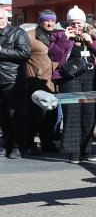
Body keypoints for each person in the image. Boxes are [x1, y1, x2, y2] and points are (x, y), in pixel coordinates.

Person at [48, 6, 96, 163]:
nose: (77, 27)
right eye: (73, 23)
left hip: (91, 76)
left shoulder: (94, 33)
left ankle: (87, 150)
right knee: (72, 114)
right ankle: (73, 152)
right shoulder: (59, 34)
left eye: (79, 23)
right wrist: (65, 38)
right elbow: (54, 55)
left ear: (84, 23)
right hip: (70, 77)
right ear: (68, 22)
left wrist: (92, 42)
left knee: (89, 114)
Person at [25, 11, 59, 154]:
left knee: (51, 116)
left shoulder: (58, 35)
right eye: (46, 20)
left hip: (53, 82)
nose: (50, 23)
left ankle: (47, 143)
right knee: (34, 116)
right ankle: (29, 144)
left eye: (52, 20)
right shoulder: (29, 36)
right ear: (40, 21)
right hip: (36, 82)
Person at [0, 9, 31, 159]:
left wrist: (1, 50)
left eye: (1, 18)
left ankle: (18, 146)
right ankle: (7, 144)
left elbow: (24, 53)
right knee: (3, 116)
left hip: (12, 80)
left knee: (15, 114)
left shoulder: (17, 32)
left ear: (7, 18)